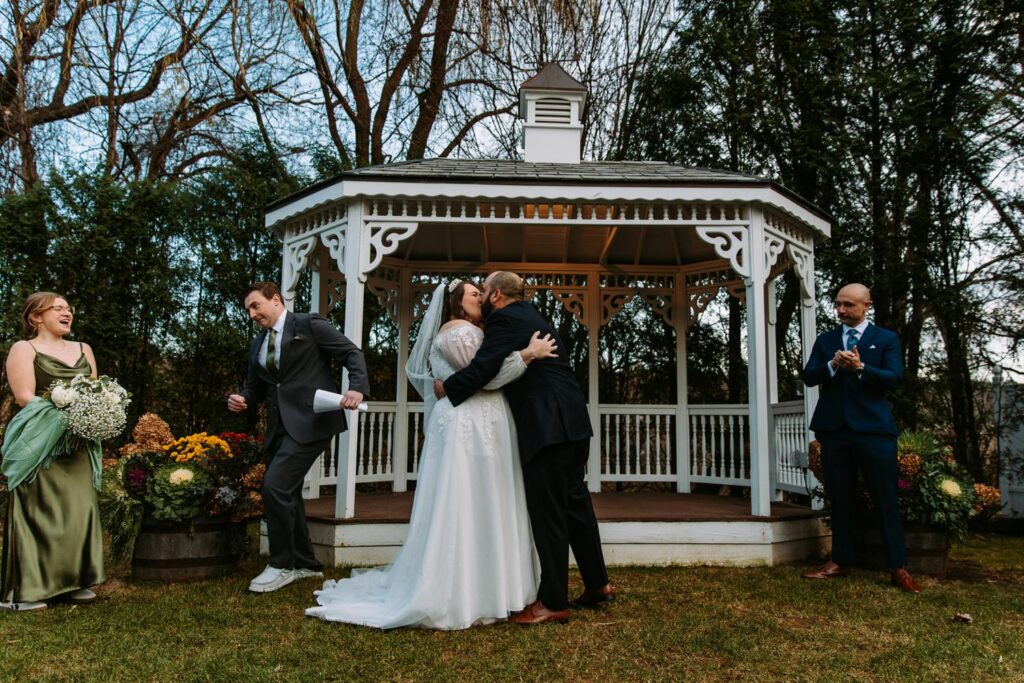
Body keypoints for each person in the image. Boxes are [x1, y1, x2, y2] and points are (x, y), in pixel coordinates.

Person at [305, 281, 558, 629]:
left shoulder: (474, 330)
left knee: (489, 499)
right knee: (468, 501)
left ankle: (495, 588)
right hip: (469, 423)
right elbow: (485, 378)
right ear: (456, 302)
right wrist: (528, 354)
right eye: (473, 294)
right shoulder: (458, 331)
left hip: (484, 421)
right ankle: (464, 592)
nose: (481, 298)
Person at [438, 271, 613, 625]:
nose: (482, 296)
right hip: (574, 421)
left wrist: (448, 387)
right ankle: (598, 584)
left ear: (497, 296)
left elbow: (484, 370)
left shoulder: (502, 320)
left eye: (484, 290)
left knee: (549, 514)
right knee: (576, 504)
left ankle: (553, 601)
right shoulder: (534, 317)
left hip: (546, 425)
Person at [228, 282, 369, 593]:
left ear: (275, 299)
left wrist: (357, 387)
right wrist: (243, 399)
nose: (252, 314)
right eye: (248, 310)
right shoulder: (258, 343)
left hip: (312, 420)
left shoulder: (309, 324)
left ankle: (281, 564)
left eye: (255, 306)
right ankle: (306, 563)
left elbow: (351, 352)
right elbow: (256, 387)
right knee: (287, 491)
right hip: (278, 426)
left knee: (274, 486)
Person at [801, 283, 920, 593]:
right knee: (840, 498)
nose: (841, 310)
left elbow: (894, 379)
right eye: (838, 304)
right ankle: (839, 561)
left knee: (885, 499)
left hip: (874, 432)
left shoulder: (886, 339)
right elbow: (809, 375)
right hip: (835, 430)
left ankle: (897, 567)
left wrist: (861, 367)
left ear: (866, 305)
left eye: (848, 305)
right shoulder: (826, 340)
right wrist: (832, 365)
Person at [1, 292, 105, 611]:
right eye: (57, 308)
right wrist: (67, 409)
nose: (67, 312)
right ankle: (29, 590)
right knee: (42, 511)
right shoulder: (24, 348)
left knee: (79, 510)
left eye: (68, 308)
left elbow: (96, 391)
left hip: (78, 443)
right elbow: (24, 397)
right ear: (36, 317)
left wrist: (97, 412)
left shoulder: (84, 349)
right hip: (40, 443)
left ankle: (73, 581)